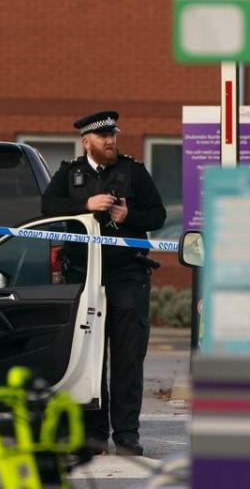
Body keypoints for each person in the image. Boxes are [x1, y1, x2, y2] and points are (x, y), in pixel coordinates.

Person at [40, 110, 166, 457]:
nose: (110, 141)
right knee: (91, 359)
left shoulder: (134, 172)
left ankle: (126, 434)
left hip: (127, 276)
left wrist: (129, 217)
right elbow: (46, 208)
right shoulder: (70, 175)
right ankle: (94, 434)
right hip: (86, 280)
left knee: (127, 359)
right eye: (103, 136)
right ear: (86, 142)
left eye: (113, 135)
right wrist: (85, 204)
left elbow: (158, 214)